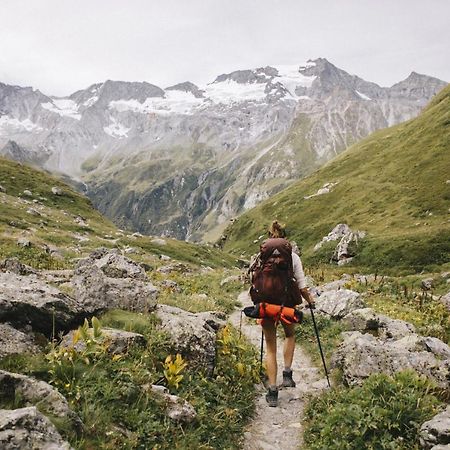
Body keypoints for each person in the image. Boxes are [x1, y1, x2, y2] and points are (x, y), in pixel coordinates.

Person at [258, 220, 315, 407]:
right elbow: (302, 285)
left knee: (270, 347)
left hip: (266, 306)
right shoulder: (293, 257)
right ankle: (287, 375)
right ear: (285, 237)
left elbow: (254, 280)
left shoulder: (262, 255)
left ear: (269, 236)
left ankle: (273, 392)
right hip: (287, 305)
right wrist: (310, 301)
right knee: (290, 335)